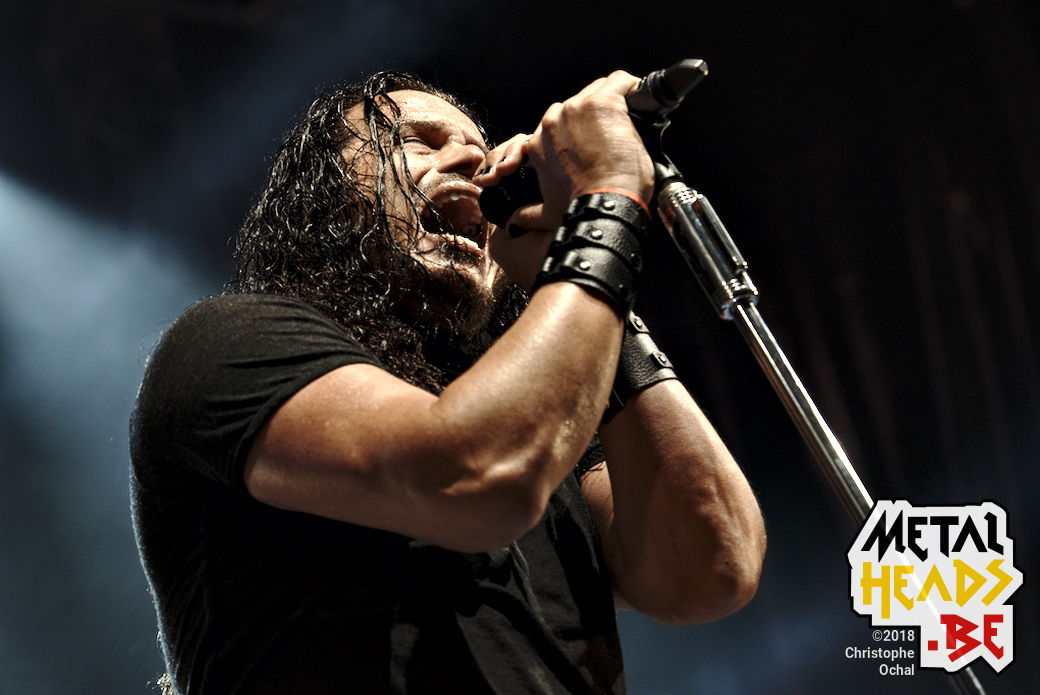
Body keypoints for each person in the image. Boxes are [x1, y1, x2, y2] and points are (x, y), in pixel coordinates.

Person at [130, 68, 767, 695]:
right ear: (328, 195)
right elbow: (473, 475)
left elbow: (710, 568)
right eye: (420, 141)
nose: (471, 159)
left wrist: (586, 264)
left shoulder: (539, 431)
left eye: (478, 149)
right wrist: (607, 207)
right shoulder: (229, 342)